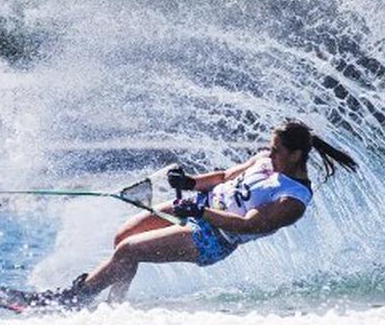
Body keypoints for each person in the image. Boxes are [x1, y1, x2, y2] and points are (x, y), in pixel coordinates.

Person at [38, 120, 358, 305]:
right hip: (198, 208)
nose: (269, 152)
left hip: (211, 238)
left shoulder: (293, 200)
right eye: (271, 147)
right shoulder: (264, 160)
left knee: (128, 251)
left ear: (296, 155)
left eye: (276, 150)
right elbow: (222, 177)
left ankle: (72, 300)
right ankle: (113, 306)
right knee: (124, 236)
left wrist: (200, 213)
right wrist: (190, 182)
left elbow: (248, 225)